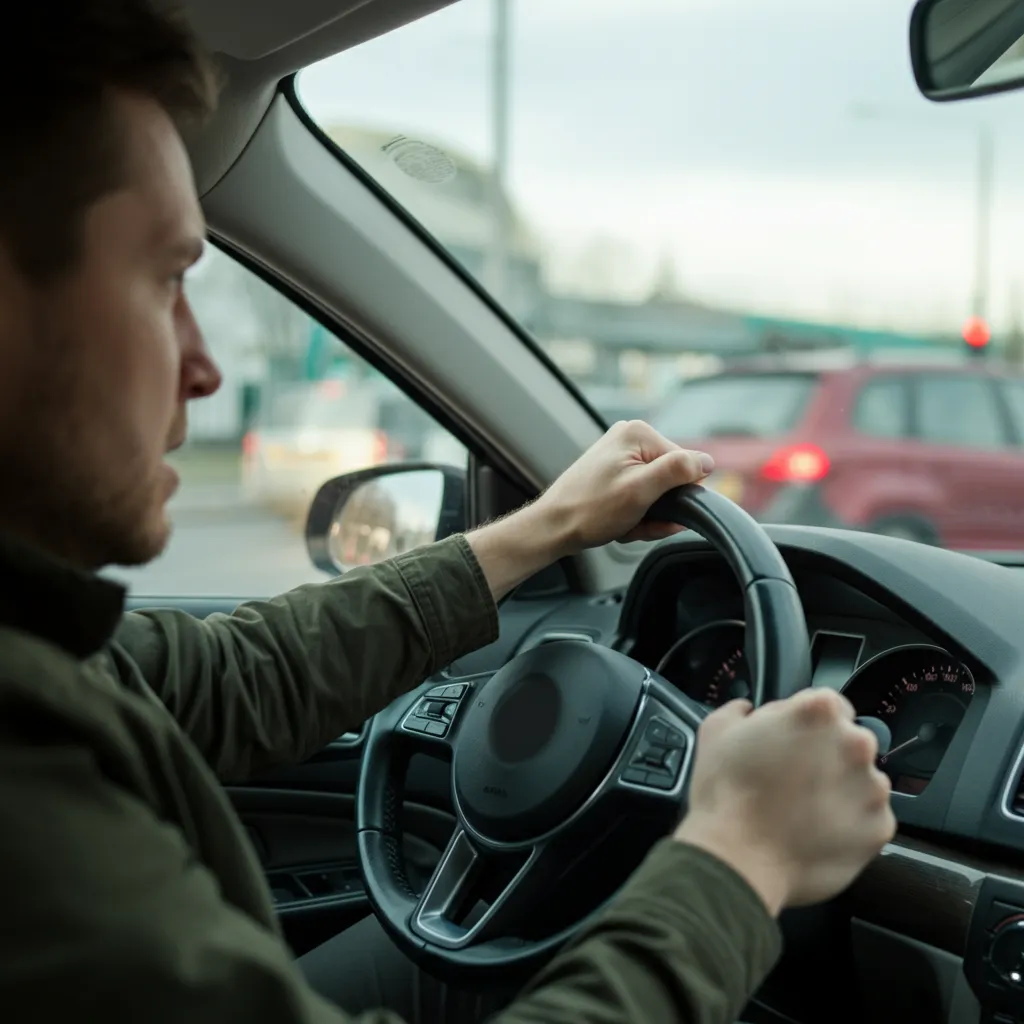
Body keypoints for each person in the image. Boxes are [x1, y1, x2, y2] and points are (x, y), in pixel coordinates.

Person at [0, 2, 896, 1022]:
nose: (203, 367)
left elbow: (227, 681)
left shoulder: (40, 657)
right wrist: (740, 855)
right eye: (166, 280)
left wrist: (543, 527)